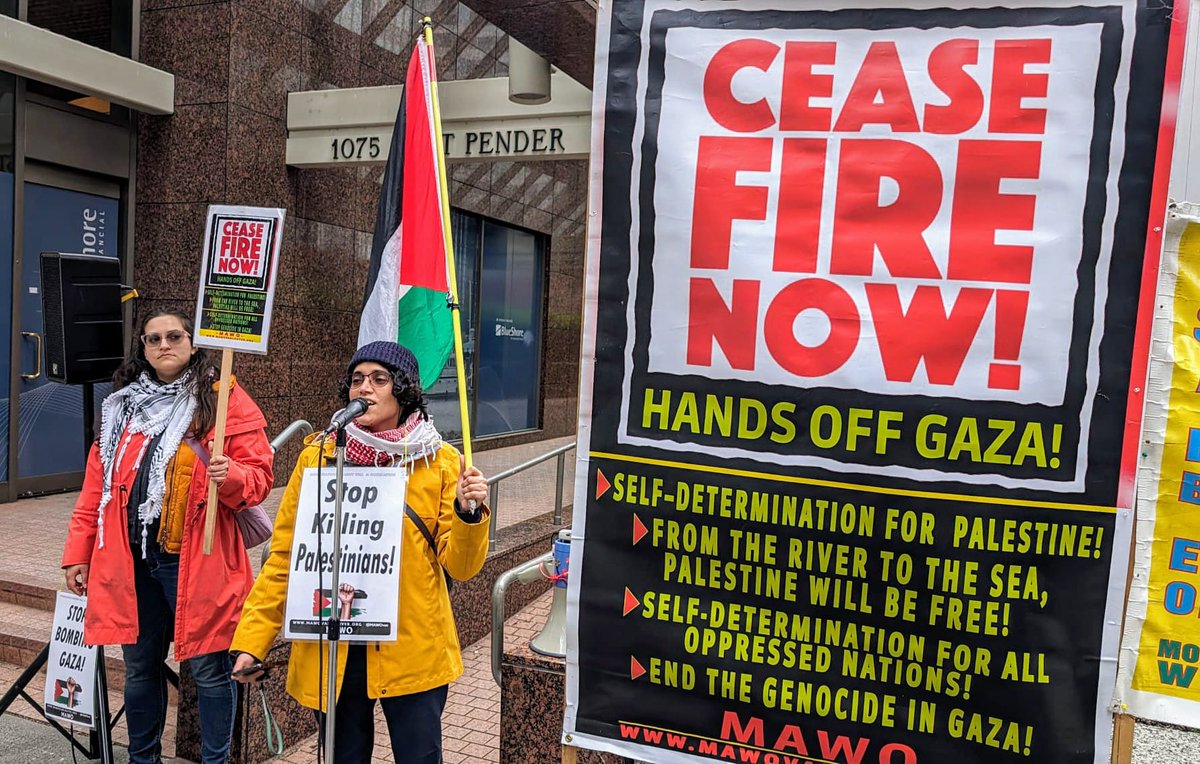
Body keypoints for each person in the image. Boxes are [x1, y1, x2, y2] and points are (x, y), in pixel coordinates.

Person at [230, 340, 491, 764]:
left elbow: (461, 567)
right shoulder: (319, 455)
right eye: (356, 380)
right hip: (334, 646)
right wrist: (252, 642)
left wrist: (468, 512)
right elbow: (284, 558)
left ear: (403, 391)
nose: (363, 389)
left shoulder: (442, 462)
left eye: (379, 379)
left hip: (412, 649)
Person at [61, 308, 274, 764]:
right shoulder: (122, 406)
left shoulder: (223, 397)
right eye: (153, 338)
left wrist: (230, 474)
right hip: (132, 561)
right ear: (142, 347)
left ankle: (216, 761)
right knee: (139, 669)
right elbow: (96, 489)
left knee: (209, 672)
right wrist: (77, 552)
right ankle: (144, 759)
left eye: (174, 336)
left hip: (199, 560)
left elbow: (259, 478)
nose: (164, 345)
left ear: (193, 343)